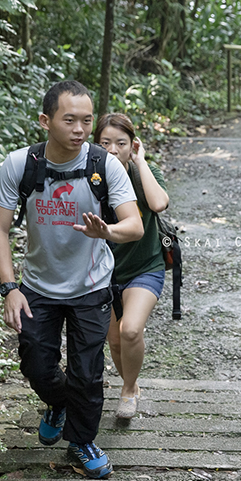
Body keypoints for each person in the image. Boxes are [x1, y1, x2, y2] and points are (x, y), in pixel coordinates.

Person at [0, 81, 143, 479]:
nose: (79, 129)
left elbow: (135, 225)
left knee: (87, 372)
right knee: (37, 364)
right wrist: (10, 288)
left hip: (91, 285)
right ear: (45, 121)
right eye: (69, 119)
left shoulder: (103, 164)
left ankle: (81, 439)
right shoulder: (21, 164)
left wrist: (106, 232)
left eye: (86, 121)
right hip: (37, 285)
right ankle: (57, 403)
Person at [93, 113, 169, 419]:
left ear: (132, 145)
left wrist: (141, 162)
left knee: (131, 330)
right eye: (105, 143)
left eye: (120, 143)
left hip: (145, 266)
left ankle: (127, 390)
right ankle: (131, 385)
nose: (112, 150)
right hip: (103, 273)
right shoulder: (90, 177)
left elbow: (158, 203)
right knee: (113, 339)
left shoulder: (144, 174)